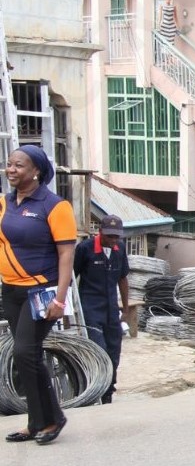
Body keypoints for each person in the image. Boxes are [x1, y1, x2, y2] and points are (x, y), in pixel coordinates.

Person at [1, 146, 76, 445]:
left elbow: (66, 254)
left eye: (18, 165)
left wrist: (60, 299)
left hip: (41, 292)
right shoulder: (6, 202)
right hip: (11, 290)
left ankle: (53, 418)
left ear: (36, 172)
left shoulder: (55, 206)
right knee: (27, 356)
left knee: (24, 352)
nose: (11, 170)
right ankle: (36, 423)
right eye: (8, 164)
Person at [74, 214, 130, 404]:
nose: (113, 240)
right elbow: (72, 278)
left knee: (114, 351)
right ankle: (95, 389)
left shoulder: (120, 249)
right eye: (109, 236)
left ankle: (108, 391)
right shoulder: (85, 249)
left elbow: (123, 278)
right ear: (100, 232)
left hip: (111, 309)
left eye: (116, 237)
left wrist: (126, 308)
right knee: (100, 349)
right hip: (91, 307)